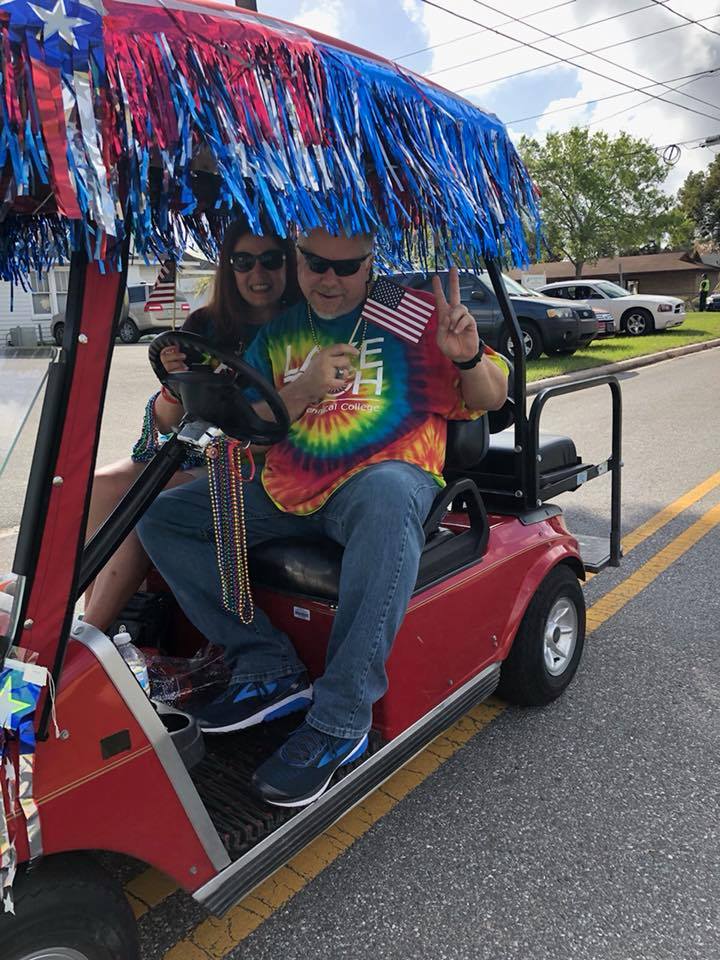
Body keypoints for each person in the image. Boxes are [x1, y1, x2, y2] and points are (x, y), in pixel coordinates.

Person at [137, 227, 509, 808]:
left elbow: (490, 396)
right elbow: (252, 423)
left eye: (347, 268)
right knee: (163, 517)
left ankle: (341, 718)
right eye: (315, 265)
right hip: (288, 487)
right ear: (299, 260)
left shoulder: (407, 313)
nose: (329, 280)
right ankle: (265, 663)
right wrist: (304, 388)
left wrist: (467, 356)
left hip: (381, 481)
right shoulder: (282, 332)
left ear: (369, 264)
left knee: (387, 495)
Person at [83, 219, 298, 633]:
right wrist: (173, 386)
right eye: (244, 261)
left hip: (259, 461)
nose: (258, 273)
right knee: (99, 486)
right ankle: (94, 626)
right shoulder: (205, 325)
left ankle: (90, 633)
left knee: (144, 502)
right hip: (198, 451)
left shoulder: (302, 326)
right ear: (229, 267)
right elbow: (166, 424)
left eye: (271, 260)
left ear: (288, 264)